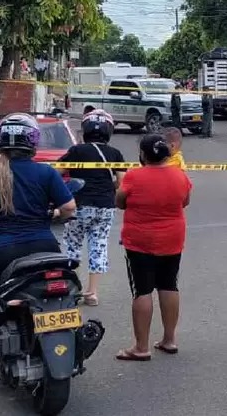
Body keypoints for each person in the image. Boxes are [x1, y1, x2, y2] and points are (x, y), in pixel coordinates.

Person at [116, 134, 192, 361]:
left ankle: (141, 347)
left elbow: (120, 201)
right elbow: (185, 201)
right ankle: (169, 339)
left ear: (143, 155)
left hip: (140, 241)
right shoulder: (180, 176)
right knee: (169, 284)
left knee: (142, 289)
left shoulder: (134, 176)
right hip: (172, 238)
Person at [58, 110, 125, 306]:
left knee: (72, 245)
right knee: (99, 246)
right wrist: (106, 187)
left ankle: (71, 289)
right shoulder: (115, 153)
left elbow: (56, 171)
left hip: (79, 205)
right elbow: (121, 182)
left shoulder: (76, 151)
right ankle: (92, 293)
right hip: (105, 206)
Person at [0, 114, 76, 278]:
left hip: (4, 248)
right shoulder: (46, 172)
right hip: (44, 245)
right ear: (33, 140)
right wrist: (55, 214)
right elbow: (69, 207)